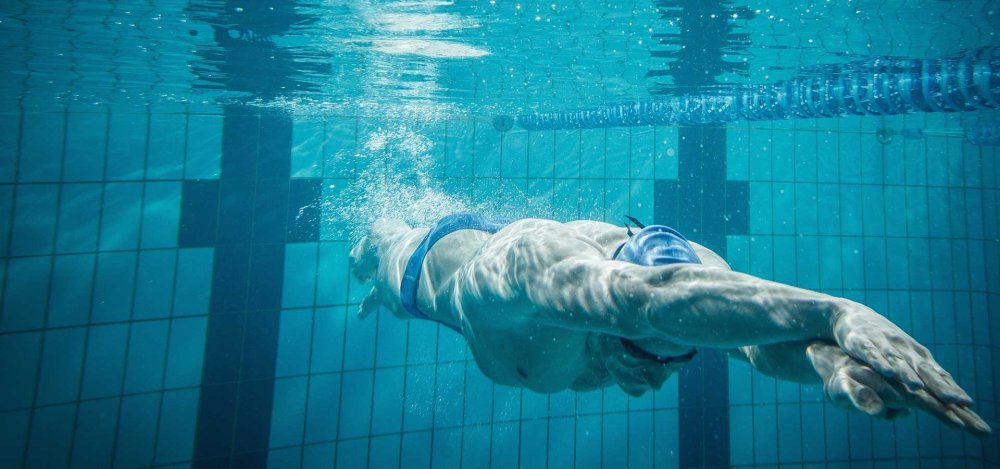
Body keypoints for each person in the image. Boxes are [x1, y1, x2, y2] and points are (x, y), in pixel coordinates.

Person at [349, 214, 991, 435]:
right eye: (653, 360)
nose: (659, 382)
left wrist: (828, 363)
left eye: (678, 361)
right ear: (610, 324)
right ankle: (375, 243)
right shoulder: (535, 271)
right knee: (374, 261)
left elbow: (752, 342)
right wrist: (840, 313)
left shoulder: (697, 272)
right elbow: (645, 302)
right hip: (424, 272)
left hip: (561, 305)